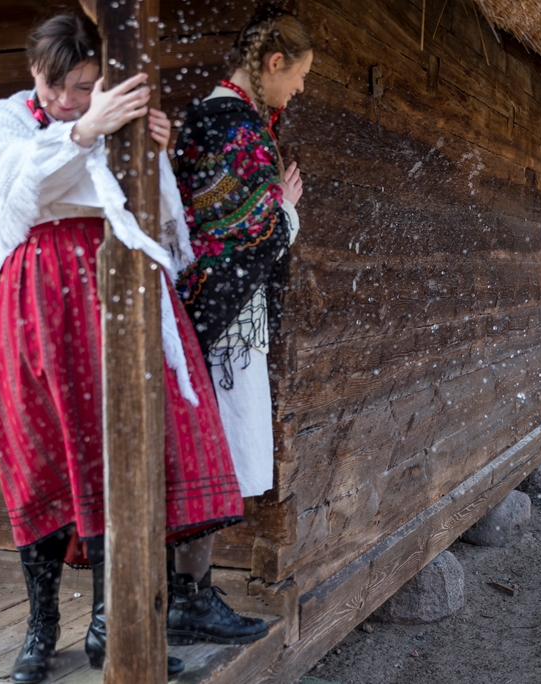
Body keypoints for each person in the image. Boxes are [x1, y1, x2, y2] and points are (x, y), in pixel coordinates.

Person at [0, 13, 243, 682]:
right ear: (34, 73)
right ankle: (41, 627)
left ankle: (108, 623)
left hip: (111, 282)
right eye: (58, 87)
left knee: (114, 446)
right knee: (37, 451)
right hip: (36, 293)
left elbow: (145, 204)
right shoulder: (4, 120)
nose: (70, 100)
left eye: (84, 87)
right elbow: (22, 189)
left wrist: (151, 151)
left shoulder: (112, 118)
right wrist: (85, 132)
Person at [167, 5, 312, 646]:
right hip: (223, 325)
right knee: (215, 453)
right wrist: (286, 210)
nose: (299, 89)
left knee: (205, 451)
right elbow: (250, 233)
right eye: (299, 75)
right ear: (274, 63)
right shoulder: (236, 127)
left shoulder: (210, 119)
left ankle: (183, 591)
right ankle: (189, 598)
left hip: (201, 310)